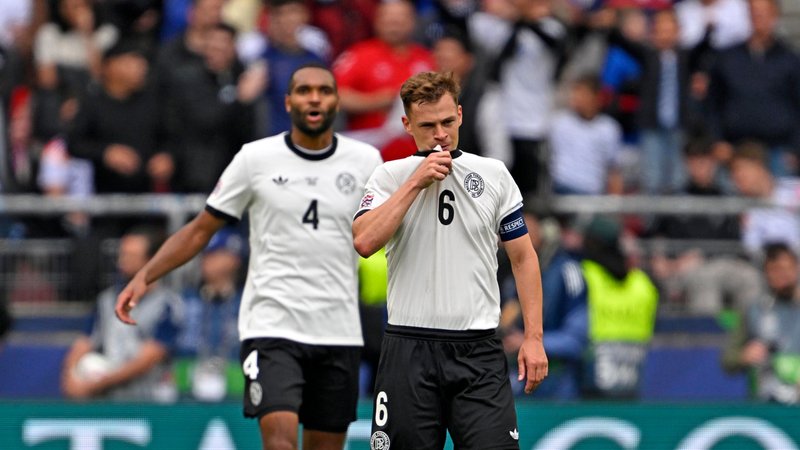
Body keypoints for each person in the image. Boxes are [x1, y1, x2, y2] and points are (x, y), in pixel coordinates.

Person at [115, 63, 383, 450]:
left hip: (337, 328)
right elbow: (200, 229)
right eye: (304, 90)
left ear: (336, 101)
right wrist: (145, 275)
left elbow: (391, 229)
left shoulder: (365, 161)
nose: (314, 98)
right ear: (288, 100)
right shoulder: (255, 159)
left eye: (323, 91)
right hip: (271, 326)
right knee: (279, 441)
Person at [352, 71, 548, 450]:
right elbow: (364, 241)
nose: (440, 133)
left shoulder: (493, 175)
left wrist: (534, 337)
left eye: (447, 122)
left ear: (459, 114)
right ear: (407, 124)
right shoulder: (389, 176)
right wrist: (415, 181)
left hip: (478, 352)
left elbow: (523, 258)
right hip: (409, 350)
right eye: (427, 125)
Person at [61, 226, 182, 401]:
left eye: (131, 256)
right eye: (122, 254)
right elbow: (85, 341)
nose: (122, 261)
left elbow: (149, 357)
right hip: (110, 400)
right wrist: (70, 376)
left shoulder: (167, 305)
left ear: (150, 260)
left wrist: (98, 384)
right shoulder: (107, 300)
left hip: (150, 401)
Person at [501, 213, 588, 399]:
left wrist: (534, 342)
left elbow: (576, 340)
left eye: (526, 235)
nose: (517, 242)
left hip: (557, 384)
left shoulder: (568, 273)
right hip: (516, 381)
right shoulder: (505, 271)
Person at [722, 242, 800, 404]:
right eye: (774, 270)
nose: (781, 275)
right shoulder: (755, 310)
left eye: (785, 268)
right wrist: (743, 356)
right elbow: (727, 360)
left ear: (796, 268)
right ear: (766, 273)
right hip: (766, 403)